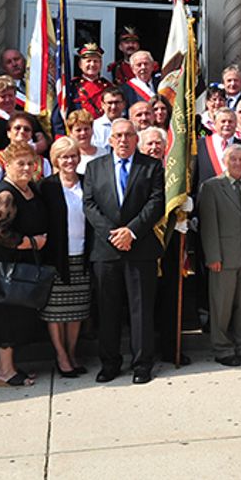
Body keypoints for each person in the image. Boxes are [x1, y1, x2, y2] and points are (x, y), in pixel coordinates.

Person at [83, 120, 166, 383]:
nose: (123, 140)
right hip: (105, 250)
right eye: (118, 135)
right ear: (110, 139)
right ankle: (110, 363)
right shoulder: (94, 168)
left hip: (140, 247)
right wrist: (114, 234)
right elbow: (89, 204)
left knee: (141, 310)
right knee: (108, 310)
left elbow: (156, 203)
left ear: (136, 139)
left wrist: (130, 232)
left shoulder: (151, 166)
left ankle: (142, 365)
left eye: (129, 135)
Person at [0, 142, 48, 387]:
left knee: (16, 314)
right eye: (20, 163)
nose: (27, 167)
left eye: (31, 163)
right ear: (7, 165)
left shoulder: (29, 188)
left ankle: (9, 366)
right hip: (2, 265)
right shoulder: (6, 194)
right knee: (5, 316)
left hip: (19, 263)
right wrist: (31, 242)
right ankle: (3, 372)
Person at [198, 145, 241, 367]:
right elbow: (208, 225)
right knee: (221, 306)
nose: (238, 163)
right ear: (225, 161)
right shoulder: (212, 187)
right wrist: (213, 255)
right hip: (223, 257)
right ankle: (223, 349)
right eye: (233, 159)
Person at [39, 138, 92, 377]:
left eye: (72, 156)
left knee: (77, 310)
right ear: (55, 160)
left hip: (83, 254)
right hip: (56, 257)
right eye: (63, 157)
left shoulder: (87, 183)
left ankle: (72, 352)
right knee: (56, 311)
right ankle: (60, 356)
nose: (69, 161)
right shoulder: (46, 186)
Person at [196, 109, 241, 185]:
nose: (227, 124)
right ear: (215, 123)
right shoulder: (200, 146)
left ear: (236, 124)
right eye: (223, 121)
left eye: (230, 121)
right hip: (207, 195)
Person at [0, 112, 52, 180]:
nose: (22, 131)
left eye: (26, 129)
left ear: (31, 135)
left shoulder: (43, 162)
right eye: (17, 128)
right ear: (8, 133)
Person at [69, 43, 113, 118]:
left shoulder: (109, 87)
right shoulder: (71, 87)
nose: (92, 64)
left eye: (95, 61)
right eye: (88, 61)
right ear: (80, 64)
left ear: (101, 64)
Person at [65, 109, 106, 174]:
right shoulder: (66, 156)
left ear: (92, 130)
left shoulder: (103, 153)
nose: (83, 133)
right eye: (78, 130)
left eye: (86, 129)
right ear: (71, 133)